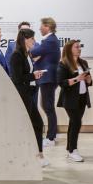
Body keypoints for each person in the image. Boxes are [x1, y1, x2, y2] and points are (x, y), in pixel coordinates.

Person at [9, 28, 49, 168]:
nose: (34, 41)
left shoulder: (27, 54)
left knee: (37, 124)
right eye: (32, 38)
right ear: (24, 39)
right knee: (34, 124)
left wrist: (34, 75)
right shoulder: (16, 56)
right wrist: (34, 75)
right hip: (22, 96)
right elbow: (16, 78)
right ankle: (34, 155)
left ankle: (38, 154)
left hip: (28, 94)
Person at [56, 40, 92, 162]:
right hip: (70, 99)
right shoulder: (63, 64)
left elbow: (89, 82)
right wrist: (77, 79)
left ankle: (70, 149)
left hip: (82, 98)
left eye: (80, 47)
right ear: (69, 49)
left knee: (73, 123)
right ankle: (73, 151)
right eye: (76, 47)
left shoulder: (83, 62)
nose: (79, 49)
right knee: (76, 123)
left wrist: (88, 80)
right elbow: (61, 83)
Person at [32, 17, 61, 147]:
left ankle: (51, 138)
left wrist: (30, 44)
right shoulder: (51, 40)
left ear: (47, 27)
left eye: (41, 26)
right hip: (48, 78)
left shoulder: (49, 41)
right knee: (46, 106)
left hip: (48, 78)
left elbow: (34, 52)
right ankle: (52, 135)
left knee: (48, 107)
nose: (39, 28)